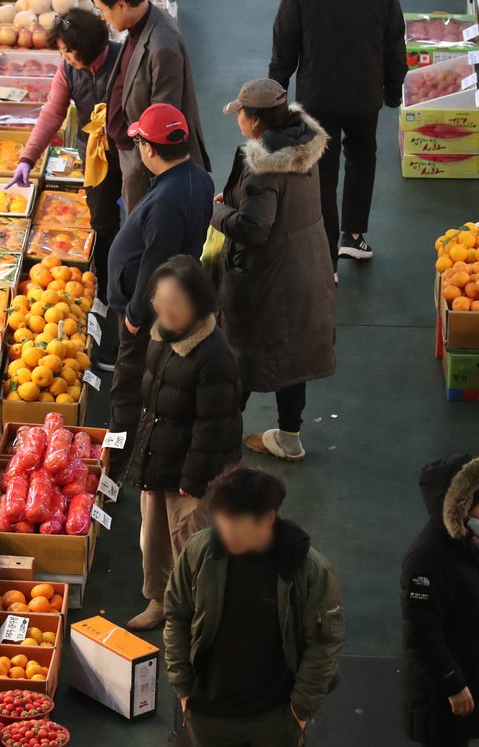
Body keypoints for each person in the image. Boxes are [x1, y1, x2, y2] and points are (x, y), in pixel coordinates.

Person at [164, 467, 346, 747]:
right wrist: (183, 687)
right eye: (222, 522)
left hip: (275, 719)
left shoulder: (309, 570)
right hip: (208, 713)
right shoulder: (200, 551)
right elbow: (177, 615)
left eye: (237, 525)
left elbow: (323, 644)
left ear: (268, 519)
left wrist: (300, 709)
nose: (227, 533)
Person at [269, 0, 406, 267]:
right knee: (362, 157)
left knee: (322, 169)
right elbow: (394, 43)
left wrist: (276, 98)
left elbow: (285, 44)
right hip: (364, 95)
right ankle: (354, 236)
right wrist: (393, 90)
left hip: (317, 97)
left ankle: (326, 253)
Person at [213, 79, 336, 463]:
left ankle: (219, 436)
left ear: (254, 122)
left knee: (239, 354)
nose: (239, 120)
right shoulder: (303, 147)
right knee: (292, 356)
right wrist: (234, 199)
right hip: (307, 263)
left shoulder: (264, 168)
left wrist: (217, 211)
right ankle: (289, 437)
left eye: (241, 114)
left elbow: (254, 228)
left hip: (268, 277)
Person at [123, 256, 243, 630]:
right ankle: (160, 600)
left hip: (197, 470)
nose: (166, 309)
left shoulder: (213, 354)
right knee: (155, 538)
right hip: (159, 457)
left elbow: (214, 427)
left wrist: (193, 482)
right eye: (160, 300)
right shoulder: (161, 334)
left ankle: (196, 618)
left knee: (192, 544)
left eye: (176, 302)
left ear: (198, 304)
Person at [105, 103, 215, 484]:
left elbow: (155, 264)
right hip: (164, 305)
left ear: (149, 149)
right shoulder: (198, 178)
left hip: (148, 314)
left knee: (126, 391)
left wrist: (135, 315)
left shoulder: (167, 202)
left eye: (139, 143)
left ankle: (115, 465)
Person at [8, 8, 124, 364]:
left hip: (132, 152)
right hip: (96, 158)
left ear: (88, 48)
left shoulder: (124, 61)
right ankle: (106, 298)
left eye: (68, 51)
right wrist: (27, 158)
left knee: (135, 228)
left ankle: (128, 311)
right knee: (102, 225)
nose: (64, 56)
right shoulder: (69, 68)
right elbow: (53, 112)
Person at [402, 453, 479, 747]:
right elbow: (421, 631)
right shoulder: (428, 558)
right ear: (461, 509)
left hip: (473, 663)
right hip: (443, 685)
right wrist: (452, 683)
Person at [90, 0, 210, 212]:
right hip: (129, 149)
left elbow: (163, 117)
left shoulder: (162, 44)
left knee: (144, 223)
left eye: (102, 10)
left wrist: (139, 160)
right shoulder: (139, 26)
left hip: (144, 158)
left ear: (122, 5)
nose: (102, 17)